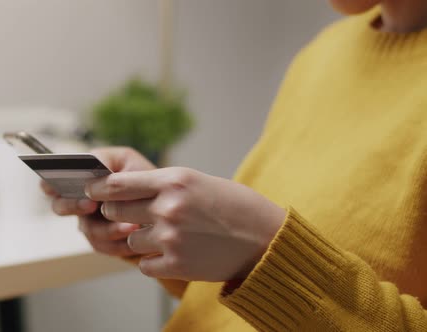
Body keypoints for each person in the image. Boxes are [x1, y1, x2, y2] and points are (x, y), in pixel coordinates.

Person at [42, 1, 427, 330]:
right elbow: (239, 295)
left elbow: (265, 260)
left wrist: (262, 254)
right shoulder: (325, 52)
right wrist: (153, 224)